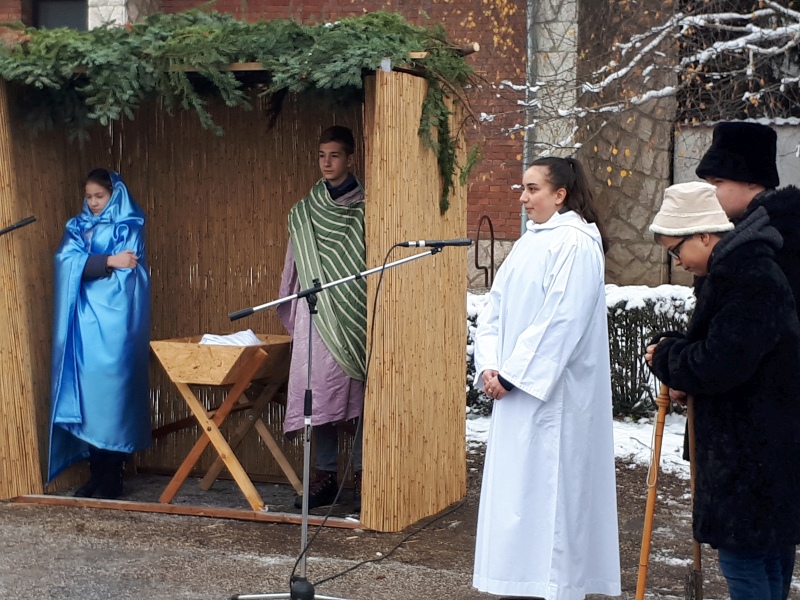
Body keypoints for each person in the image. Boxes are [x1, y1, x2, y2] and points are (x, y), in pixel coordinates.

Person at [472, 156, 621, 600]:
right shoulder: (530, 242)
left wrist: (513, 375)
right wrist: (490, 365)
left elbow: (560, 320)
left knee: (551, 497)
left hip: (553, 399)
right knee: (517, 499)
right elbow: (495, 307)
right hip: (514, 392)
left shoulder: (575, 243)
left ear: (560, 195)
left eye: (532, 188)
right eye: (522, 188)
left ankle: (552, 586)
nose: (522, 197)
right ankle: (520, 583)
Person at [645, 181, 800, 600]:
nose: (678, 262)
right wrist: (677, 351)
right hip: (764, 446)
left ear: (704, 236)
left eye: (676, 250)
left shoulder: (747, 277)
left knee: (745, 561)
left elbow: (719, 362)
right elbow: (729, 347)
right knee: (766, 557)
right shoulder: (743, 270)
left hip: (751, 452)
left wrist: (668, 358)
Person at [695, 121, 800, 598]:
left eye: (718, 182)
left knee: (748, 552)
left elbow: (739, 343)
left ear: (752, 181)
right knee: (772, 544)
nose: (710, 192)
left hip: (760, 420)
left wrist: (684, 360)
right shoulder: (754, 233)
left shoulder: (769, 243)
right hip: (769, 420)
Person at [277, 125, 366, 513]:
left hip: (354, 310)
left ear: (350, 159)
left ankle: (364, 474)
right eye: (321, 156)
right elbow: (294, 265)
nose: (327, 163)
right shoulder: (305, 211)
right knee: (318, 390)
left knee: (362, 392)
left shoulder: (367, 208)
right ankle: (325, 476)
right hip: (315, 313)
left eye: (335, 155)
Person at [49, 168, 151, 499]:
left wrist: (92, 266)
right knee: (90, 400)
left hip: (117, 329)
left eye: (100, 196)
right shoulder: (77, 227)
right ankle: (96, 473)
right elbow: (65, 262)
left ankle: (113, 476)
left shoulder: (129, 226)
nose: (93, 202)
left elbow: (129, 273)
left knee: (114, 398)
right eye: (89, 196)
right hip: (84, 329)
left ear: (115, 195)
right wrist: (107, 260)